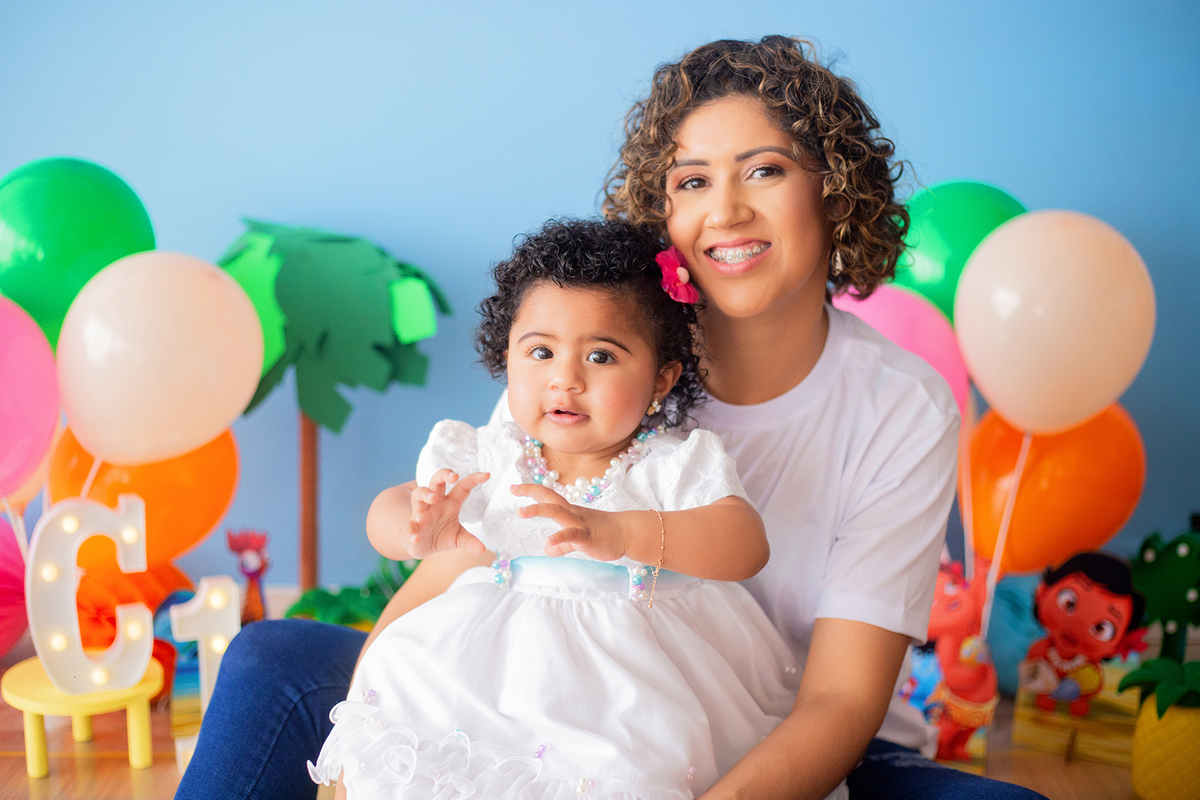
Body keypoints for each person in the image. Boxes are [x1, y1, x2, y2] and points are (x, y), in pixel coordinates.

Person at [178, 36, 1047, 800]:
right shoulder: (596, 346)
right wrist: (371, 742)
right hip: (533, 711)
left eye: (767, 170)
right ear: (662, 210)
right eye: (693, 180)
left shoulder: (899, 404)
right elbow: (462, 560)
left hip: (778, 742)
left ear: (834, 190)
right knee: (271, 661)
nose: (728, 210)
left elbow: (840, 701)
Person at [309, 217, 813, 798]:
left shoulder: (668, 465)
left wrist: (624, 534)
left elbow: (745, 544)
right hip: (483, 664)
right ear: (508, 358)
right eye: (541, 352)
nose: (564, 379)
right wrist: (413, 526)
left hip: (628, 684)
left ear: (660, 379)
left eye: (601, 357)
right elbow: (393, 506)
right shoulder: (493, 453)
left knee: (622, 765)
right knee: (410, 693)